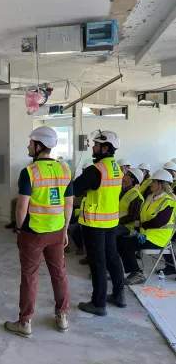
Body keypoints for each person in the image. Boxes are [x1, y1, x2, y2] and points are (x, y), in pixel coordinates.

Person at [4, 127, 72, 337]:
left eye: (30, 143)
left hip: (33, 232)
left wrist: (18, 228)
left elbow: (21, 207)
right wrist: (65, 230)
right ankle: (62, 317)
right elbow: (68, 205)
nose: (28, 146)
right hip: (57, 230)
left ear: (39, 146)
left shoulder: (30, 172)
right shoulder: (64, 170)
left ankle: (25, 322)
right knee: (59, 273)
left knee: (30, 276)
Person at [74, 130, 125, 316]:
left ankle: (98, 303)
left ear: (105, 148)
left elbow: (74, 189)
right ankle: (119, 295)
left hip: (95, 224)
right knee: (112, 258)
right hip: (111, 221)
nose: (92, 147)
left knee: (98, 264)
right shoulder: (117, 168)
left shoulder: (96, 170)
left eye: (95, 145)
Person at [117, 170, 176, 285]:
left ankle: (136, 272)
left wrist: (141, 225)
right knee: (120, 241)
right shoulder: (150, 197)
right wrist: (137, 231)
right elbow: (141, 215)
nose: (150, 184)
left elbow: (159, 221)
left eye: (153, 182)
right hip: (146, 235)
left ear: (161, 184)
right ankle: (134, 272)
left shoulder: (168, 201)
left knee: (126, 244)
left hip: (158, 239)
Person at [116, 168, 144, 237]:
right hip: (115, 222)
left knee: (107, 232)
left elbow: (132, 217)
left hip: (126, 227)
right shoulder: (119, 190)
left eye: (127, 174)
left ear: (132, 179)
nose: (124, 174)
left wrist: (115, 221)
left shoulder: (136, 196)